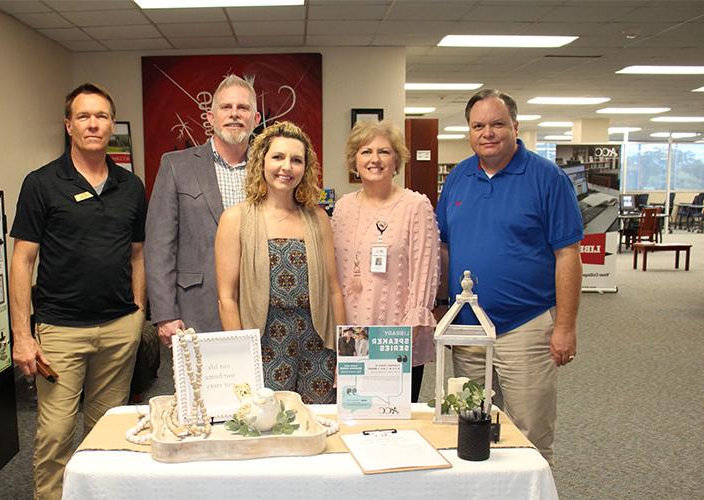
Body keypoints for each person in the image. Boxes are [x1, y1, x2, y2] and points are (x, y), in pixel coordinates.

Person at [9, 83, 147, 499]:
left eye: (102, 116)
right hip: (61, 330)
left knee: (107, 432)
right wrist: (22, 335)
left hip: (119, 328)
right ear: (69, 125)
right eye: (84, 116)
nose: (93, 124)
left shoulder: (132, 187)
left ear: (112, 127)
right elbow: (21, 261)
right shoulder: (42, 183)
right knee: (55, 433)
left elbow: (137, 254)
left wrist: (138, 310)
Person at [436, 89, 583, 464]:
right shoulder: (458, 178)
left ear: (515, 127)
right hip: (469, 330)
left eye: (498, 124)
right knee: (468, 428)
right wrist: (441, 309)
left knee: (530, 433)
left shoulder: (547, 178)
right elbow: (445, 249)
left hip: (526, 327)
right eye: (478, 125)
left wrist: (565, 326)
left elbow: (567, 254)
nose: (488, 132)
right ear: (469, 132)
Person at [215, 121, 345, 404]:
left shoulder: (318, 218)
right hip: (263, 344)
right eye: (278, 157)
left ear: (305, 168)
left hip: (317, 343)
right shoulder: (235, 219)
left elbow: (334, 289)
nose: (287, 167)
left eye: (296, 160)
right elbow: (227, 298)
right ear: (262, 161)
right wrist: (240, 361)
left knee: (319, 424)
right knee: (268, 426)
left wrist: (344, 354)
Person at [146, 74, 261, 346]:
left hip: (259, 306)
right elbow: (159, 245)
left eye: (243, 108)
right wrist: (164, 314)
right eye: (226, 107)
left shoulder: (270, 168)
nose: (234, 114)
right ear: (210, 117)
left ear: (256, 120)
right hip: (195, 309)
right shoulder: (176, 165)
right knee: (200, 387)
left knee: (260, 388)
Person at [332, 120, 440, 403]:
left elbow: (426, 270)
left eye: (384, 152)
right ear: (354, 160)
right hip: (352, 334)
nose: (375, 159)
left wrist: (409, 331)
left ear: (397, 160)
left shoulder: (415, 206)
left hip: (397, 334)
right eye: (366, 151)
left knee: (394, 417)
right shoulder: (343, 207)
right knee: (356, 413)